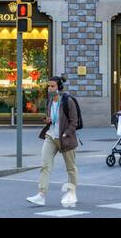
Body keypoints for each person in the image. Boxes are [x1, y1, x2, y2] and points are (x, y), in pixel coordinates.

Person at [27, 76, 79, 207]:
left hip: (65, 139)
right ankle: (41, 195)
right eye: (48, 86)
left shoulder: (68, 101)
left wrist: (66, 133)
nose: (49, 89)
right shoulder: (50, 101)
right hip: (51, 136)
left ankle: (71, 194)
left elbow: (74, 121)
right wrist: (48, 120)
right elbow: (53, 117)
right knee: (45, 165)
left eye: (52, 86)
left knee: (71, 168)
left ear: (59, 87)